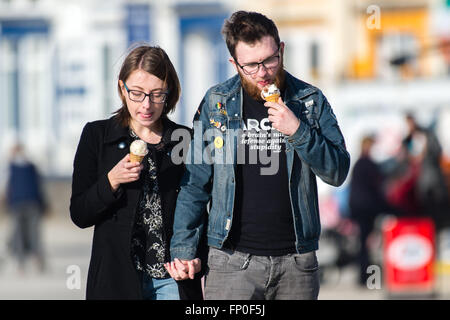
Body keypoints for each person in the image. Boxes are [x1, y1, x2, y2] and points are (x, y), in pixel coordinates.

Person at [165, 11, 350, 300]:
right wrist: (184, 249)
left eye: (270, 60)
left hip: (297, 263)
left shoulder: (309, 101)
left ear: (282, 49)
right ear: (234, 64)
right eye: (251, 65)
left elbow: (337, 171)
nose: (263, 73)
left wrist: (298, 130)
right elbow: (195, 184)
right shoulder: (217, 103)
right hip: (232, 263)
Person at [70, 45, 203, 300]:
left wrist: (198, 259)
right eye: (137, 93)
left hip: (172, 280)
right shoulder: (97, 136)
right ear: (122, 88)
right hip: (115, 278)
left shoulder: (186, 139)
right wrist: (111, 181)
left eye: (156, 94)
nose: (147, 104)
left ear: (169, 92)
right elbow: (79, 214)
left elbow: (202, 210)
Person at [349, 135, 390, 286]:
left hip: (360, 208)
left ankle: (364, 276)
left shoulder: (359, 164)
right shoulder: (367, 164)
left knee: (364, 244)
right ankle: (366, 276)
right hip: (367, 209)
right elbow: (376, 188)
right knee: (366, 245)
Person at [5, 143, 47, 273]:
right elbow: (39, 186)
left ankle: (21, 264)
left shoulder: (11, 167)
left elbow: (7, 187)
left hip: (18, 203)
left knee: (19, 234)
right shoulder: (32, 166)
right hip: (32, 202)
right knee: (33, 233)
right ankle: (36, 260)